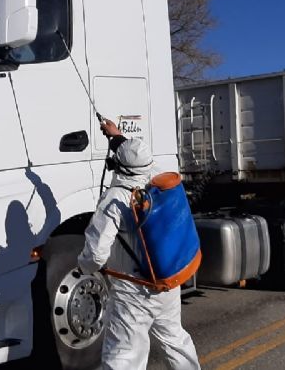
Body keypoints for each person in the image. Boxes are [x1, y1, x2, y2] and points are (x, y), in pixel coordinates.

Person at [77, 119, 201, 370]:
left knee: (124, 356)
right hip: (166, 282)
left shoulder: (115, 199)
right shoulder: (157, 182)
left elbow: (96, 255)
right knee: (175, 340)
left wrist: (84, 267)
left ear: (116, 166)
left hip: (133, 291)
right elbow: (136, 160)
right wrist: (117, 137)